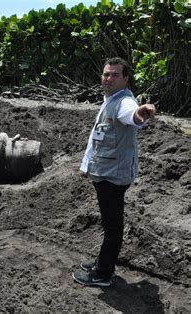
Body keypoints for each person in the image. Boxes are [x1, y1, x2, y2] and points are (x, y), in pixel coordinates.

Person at [72, 57, 156, 287]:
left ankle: (103, 273)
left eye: (115, 74)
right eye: (106, 74)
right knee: (110, 224)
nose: (108, 78)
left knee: (112, 228)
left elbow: (132, 115)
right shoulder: (110, 99)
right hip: (106, 172)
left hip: (112, 176)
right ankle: (102, 261)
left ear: (126, 79)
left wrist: (142, 112)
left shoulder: (124, 102)